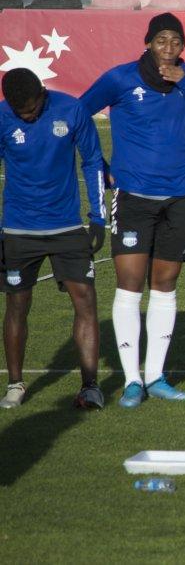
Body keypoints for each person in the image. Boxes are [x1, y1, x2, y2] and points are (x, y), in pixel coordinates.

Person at [79, 12, 185, 407]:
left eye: (176, 41)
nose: (169, 49)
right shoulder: (120, 78)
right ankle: (132, 380)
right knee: (129, 285)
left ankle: (156, 375)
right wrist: (100, 164)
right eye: (161, 41)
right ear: (148, 43)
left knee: (166, 284)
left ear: (183, 46)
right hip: (134, 196)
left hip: (179, 196)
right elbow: (76, 116)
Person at [0, 69, 106, 409]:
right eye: (21, 113)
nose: (28, 116)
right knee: (17, 304)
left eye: (32, 109)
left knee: (85, 300)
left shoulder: (71, 110)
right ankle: (15, 385)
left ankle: (90, 386)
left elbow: (92, 161)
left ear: (43, 94)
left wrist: (98, 216)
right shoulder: (2, 117)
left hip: (66, 227)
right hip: (18, 229)